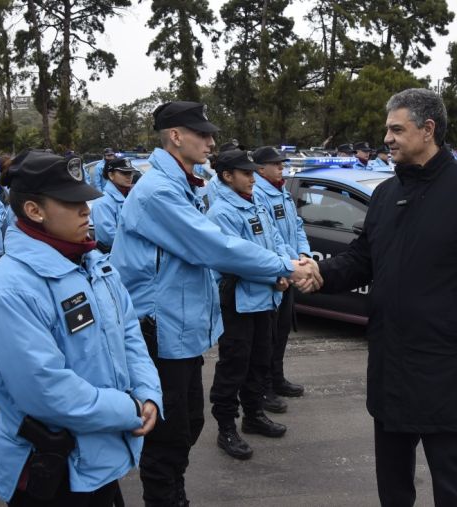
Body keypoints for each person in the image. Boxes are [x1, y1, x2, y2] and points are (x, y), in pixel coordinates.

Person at [110, 100, 321, 507]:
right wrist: (285, 266)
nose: (211, 141)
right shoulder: (158, 192)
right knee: (168, 436)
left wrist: (289, 262)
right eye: (202, 134)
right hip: (160, 329)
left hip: (182, 331)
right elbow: (213, 245)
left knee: (187, 424)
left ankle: (175, 495)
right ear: (175, 136)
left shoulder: (183, 185)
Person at [313, 88, 457, 507]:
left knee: (448, 476)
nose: (386, 138)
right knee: (391, 477)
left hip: (448, 365)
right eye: (386, 129)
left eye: (396, 129)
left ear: (428, 130)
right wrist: (318, 273)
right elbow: (361, 258)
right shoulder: (386, 195)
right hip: (391, 361)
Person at [0, 150, 162, 506]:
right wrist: (129, 410)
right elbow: (46, 391)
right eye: (71, 203)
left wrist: (148, 393)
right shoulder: (8, 290)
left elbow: (128, 334)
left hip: (100, 458)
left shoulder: (92, 262)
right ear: (34, 211)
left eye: (85, 200)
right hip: (54, 467)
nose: (85, 210)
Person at [207, 149, 292, 460]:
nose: (252, 177)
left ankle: (253, 415)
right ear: (227, 176)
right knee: (234, 365)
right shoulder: (221, 212)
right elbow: (236, 258)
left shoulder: (256, 201)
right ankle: (226, 426)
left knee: (260, 360)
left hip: (266, 298)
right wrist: (278, 273)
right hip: (240, 302)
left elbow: (277, 239)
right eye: (245, 173)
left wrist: (284, 265)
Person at [251, 146, 311, 414]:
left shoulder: (282, 190)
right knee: (268, 336)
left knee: (283, 330)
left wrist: (303, 252)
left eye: (282, 164)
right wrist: (288, 266)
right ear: (260, 169)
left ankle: (277, 378)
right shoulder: (257, 194)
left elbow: (296, 225)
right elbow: (269, 237)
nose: (281, 168)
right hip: (276, 272)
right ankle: (264, 388)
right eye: (276, 165)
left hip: (289, 266)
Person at [91, 156, 136, 252]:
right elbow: (110, 239)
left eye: (130, 172)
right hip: (115, 258)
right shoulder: (102, 203)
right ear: (111, 175)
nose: (129, 176)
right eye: (124, 172)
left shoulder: (133, 197)